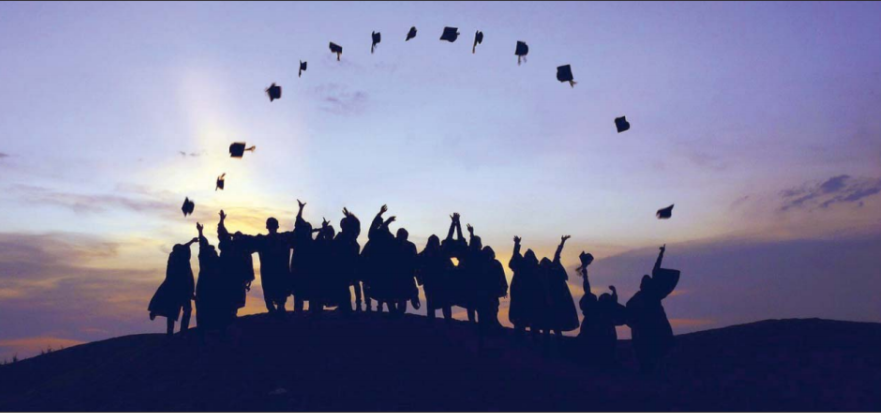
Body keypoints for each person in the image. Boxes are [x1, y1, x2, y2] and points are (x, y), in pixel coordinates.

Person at [626, 245, 680, 373]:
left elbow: (655, 271)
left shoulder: (652, 294)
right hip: (646, 329)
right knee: (648, 353)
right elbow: (630, 312)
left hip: (655, 326)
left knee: (657, 351)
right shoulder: (645, 296)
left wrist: (661, 254)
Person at [239, 212, 295, 316]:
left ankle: (276, 310)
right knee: (277, 296)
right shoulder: (283, 238)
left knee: (273, 296)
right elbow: (298, 234)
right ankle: (278, 310)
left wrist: (240, 237)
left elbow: (248, 240)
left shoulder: (264, 240)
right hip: (277, 273)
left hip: (271, 274)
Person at [577, 252, 626, 367]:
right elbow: (587, 289)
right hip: (592, 338)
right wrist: (585, 274)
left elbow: (587, 290)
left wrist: (614, 292)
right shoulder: (595, 308)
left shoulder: (601, 310)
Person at [149, 238, 197, 337]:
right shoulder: (178, 262)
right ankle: (179, 331)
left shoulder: (176, 257)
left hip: (181, 290)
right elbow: (184, 247)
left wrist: (191, 241)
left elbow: (184, 246)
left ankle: (176, 331)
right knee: (177, 310)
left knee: (178, 310)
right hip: (180, 289)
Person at [540, 235, 580, 342]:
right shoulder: (543, 276)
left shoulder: (553, 268)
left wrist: (562, 242)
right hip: (550, 301)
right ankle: (550, 342)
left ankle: (556, 341)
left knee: (555, 324)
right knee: (549, 325)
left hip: (558, 299)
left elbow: (557, 254)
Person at [217, 210, 255, 318]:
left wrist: (222, 220)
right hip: (231, 277)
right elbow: (222, 233)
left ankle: (232, 314)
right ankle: (230, 315)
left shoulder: (238, 248)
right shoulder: (232, 246)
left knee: (233, 299)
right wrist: (221, 220)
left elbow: (222, 233)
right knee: (231, 299)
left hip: (236, 278)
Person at [508, 236, 543, 340]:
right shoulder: (521, 267)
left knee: (533, 320)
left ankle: (533, 336)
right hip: (521, 298)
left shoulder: (536, 269)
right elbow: (515, 258)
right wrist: (516, 245)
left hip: (531, 298)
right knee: (520, 320)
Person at [416, 235, 453, 321]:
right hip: (432, 283)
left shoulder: (439, 254)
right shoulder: (434, 254)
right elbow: (416, 266)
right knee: (436, 304)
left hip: (439, 283)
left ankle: (443, 321)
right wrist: (420, 279)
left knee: (441, 304)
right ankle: (440, 322)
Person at [337, 208, 364, 312]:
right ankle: (353, 305)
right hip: (347, 264)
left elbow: (356, 223)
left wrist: (348, 215)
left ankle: (357, 305)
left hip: (349, 263)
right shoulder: (348, 236)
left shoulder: (349, 236)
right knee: (350, 284)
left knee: (352, 283)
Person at [290, 200, 315, 313]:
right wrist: (300, 209)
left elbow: (298, 221)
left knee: (301, 298)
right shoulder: (303, 241)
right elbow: (298, 221)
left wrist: (301, 209)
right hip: (301, 273)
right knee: (301, 297)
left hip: (303, 273)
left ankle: (302, 315)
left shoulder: (300, 241)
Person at [390, 227, 420, 315]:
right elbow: (415, 261)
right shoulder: (410, 246)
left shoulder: (393, 244)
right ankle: (398, 312)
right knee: (401, 296)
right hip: (403, 275)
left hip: (399, 275)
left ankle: (397, 312)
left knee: (399, 296)